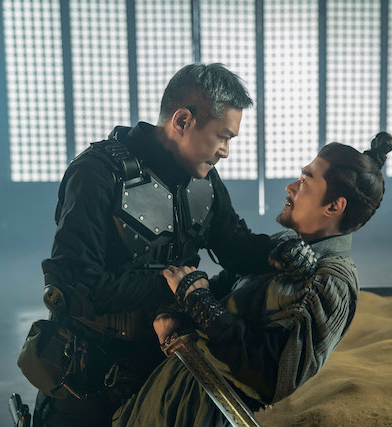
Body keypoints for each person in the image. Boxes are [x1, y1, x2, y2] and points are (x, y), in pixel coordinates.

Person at [31, 63, 315, 426]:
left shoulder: (204, 180)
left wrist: (278, 251)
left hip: (162, 362)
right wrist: (173, 287)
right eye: (222, 137)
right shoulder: (97, 173)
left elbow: (234, 245)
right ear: (182, 121)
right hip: (86, 375)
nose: (226, 151)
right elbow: (73, 287)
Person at [111, 133, 392, 426]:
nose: (290, 188)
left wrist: (198, 303)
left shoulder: (331, 284)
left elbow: (269, 376)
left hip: (209, 412)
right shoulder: (285, 245)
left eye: (305, 181)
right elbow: (220, 288)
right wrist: (181, 308)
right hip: (173, 392)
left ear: (334, 206)